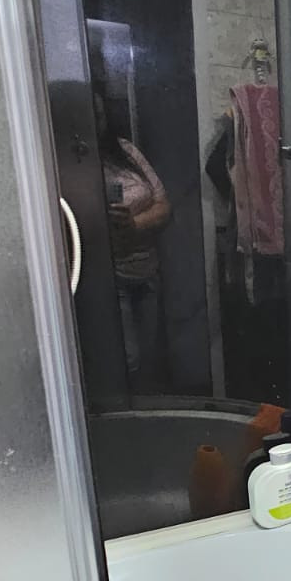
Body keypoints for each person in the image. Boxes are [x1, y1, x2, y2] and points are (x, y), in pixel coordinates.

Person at [95, 94, 171, 387]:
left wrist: (134, 223)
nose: (96, 122)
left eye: (99, 115)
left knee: (149, 358)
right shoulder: (75, 163)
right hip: (111, 277)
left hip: (147, 269)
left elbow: (164, 206)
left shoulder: (125, 151)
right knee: (129, 360)